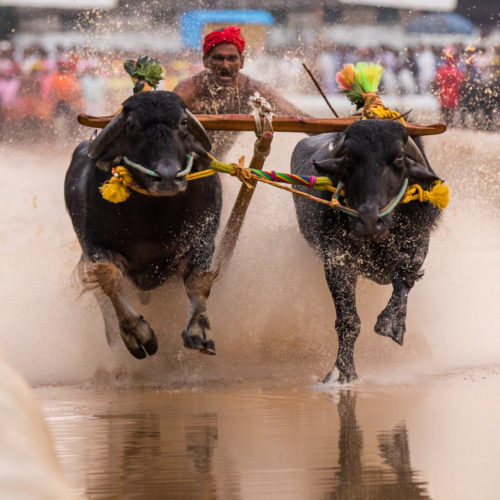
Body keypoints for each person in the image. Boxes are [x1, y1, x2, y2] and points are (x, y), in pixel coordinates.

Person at [173, 26, 309, 157]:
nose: (225, 65)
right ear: (206, 61)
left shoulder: (252, 89)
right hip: (185, 159)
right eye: (218, 58)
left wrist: (328, 133)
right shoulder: (190, 90)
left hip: (218, 162)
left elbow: (296, 116)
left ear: (242, 62)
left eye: (232, 58)